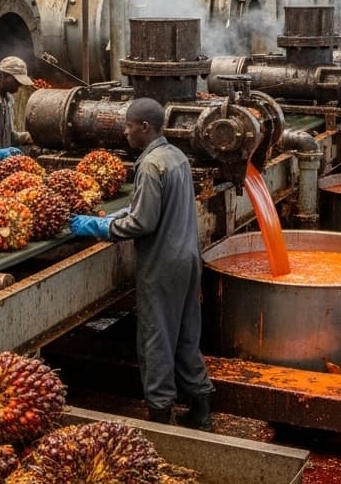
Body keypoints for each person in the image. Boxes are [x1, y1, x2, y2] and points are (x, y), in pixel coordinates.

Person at [69, 98, 216, 430]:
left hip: (162, 265)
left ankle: (161, 416)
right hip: (188, 259)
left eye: (129, 126)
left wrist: (102, 228)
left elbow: (143, 224)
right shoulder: (176, 156)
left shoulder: (149, 166)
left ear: (144, 128)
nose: (125, 132)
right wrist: (120, 213)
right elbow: (148, 207)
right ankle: (201, 407)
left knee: (156, 339)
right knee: (185, 334)